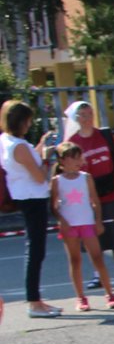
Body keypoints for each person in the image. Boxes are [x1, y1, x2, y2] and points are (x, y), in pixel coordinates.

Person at [60, 100, 114, 287]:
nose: (87, 118)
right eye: (83, 115)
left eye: (90, 114)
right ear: (76, 118)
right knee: (94, 236)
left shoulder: (105, 135)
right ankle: (97, 274)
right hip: (89, 195)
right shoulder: (73, 142)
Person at [2, 101, 60, 317]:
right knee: (36, 250)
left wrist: (40, 147)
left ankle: (36, 300)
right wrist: (47, 157)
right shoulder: (19, 146)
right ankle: (34, 302)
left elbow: (26, 162)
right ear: (21, 121)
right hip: (33, 197)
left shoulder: (8, 141)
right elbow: (38, 176)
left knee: (35, 249)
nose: (30, 124)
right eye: (28, 120)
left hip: (24, 195)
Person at [49, 143, 114, 312]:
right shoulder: (56, 181)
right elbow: (53, 206)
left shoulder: (86, 177)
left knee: (97, 258)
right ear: (62, 160)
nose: (79, 161)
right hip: (69, 226)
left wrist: (98, 221)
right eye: (74, 157)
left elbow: (95, 201)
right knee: (75, 261)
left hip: (86, 222)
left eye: (79, 157)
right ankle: (81, 297)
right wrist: (61, 220)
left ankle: (110, 294)